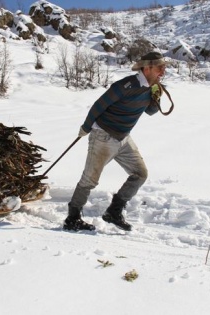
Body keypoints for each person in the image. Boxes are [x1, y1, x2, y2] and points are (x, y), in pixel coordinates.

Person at [63, 51, 170, 232]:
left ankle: (114, 211)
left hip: (123, 137)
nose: (163, 71)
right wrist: (86, 127)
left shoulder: (152, 87)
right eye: (160, 67)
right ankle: (72, 218)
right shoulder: (125, 85)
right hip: (103, 136)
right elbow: (99, 105)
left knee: (140, 174)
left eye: (164, 68)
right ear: (147, 67)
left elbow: (150, 112)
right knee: (90, 180)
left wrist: (155, 97)